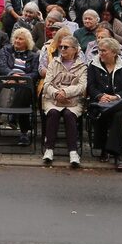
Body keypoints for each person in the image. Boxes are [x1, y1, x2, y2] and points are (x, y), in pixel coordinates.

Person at [39, 35, 87, 168]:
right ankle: (49, 149)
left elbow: (82, 86)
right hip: (53, 100)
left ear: (75, 50)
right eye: (61, 46)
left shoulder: (82, 66)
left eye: (66, 47)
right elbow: (47, 84)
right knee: (53, 113)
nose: (62, 49)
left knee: (68, 115)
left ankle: (73, 151)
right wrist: (56, 93)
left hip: (73, 101)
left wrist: (66, 92)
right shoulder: (54, 63)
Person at [87, 38, 122, 171]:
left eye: (103, 51)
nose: (100, 53)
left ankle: (112, 152)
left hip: (119, 102)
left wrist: (116, 97)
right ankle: (116, 155)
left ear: (114, 52)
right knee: (110, 114)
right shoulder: (93, 65)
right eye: (99, 50)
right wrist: (101, 96)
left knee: (119, 113)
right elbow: (90, 86)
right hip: (99, 103)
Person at [0, 27, 40, 146]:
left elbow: (36, 73)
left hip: (24, 85)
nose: (17, 41)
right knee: (21, 94)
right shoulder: (6, 50)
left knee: (24, 90)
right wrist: (12, 75)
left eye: (20, 39)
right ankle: (23, 133)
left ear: (27, 42)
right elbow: (1, 66)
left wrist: (23, 79)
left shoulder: (34, 55)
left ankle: (14, 117)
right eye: (15, 38)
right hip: (7, 83)